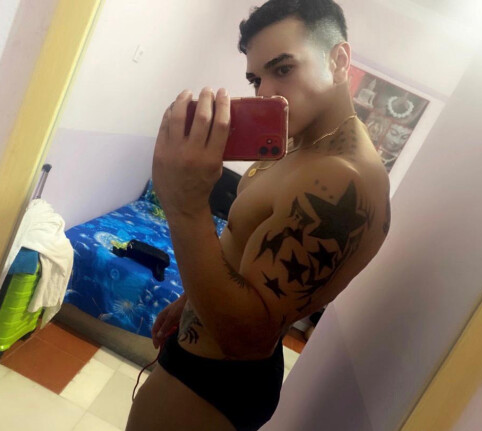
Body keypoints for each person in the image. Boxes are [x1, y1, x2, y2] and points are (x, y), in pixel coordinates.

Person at [127, 0, 391, 430]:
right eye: (256, 78)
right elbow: (241, 246)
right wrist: (188, 301)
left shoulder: (342, 180)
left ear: (339, 61)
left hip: (217, 380)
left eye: (283, 69)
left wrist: (186, 207)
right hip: (204, 347)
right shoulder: (295, 141)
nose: (264, 92)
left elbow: (245, 339)